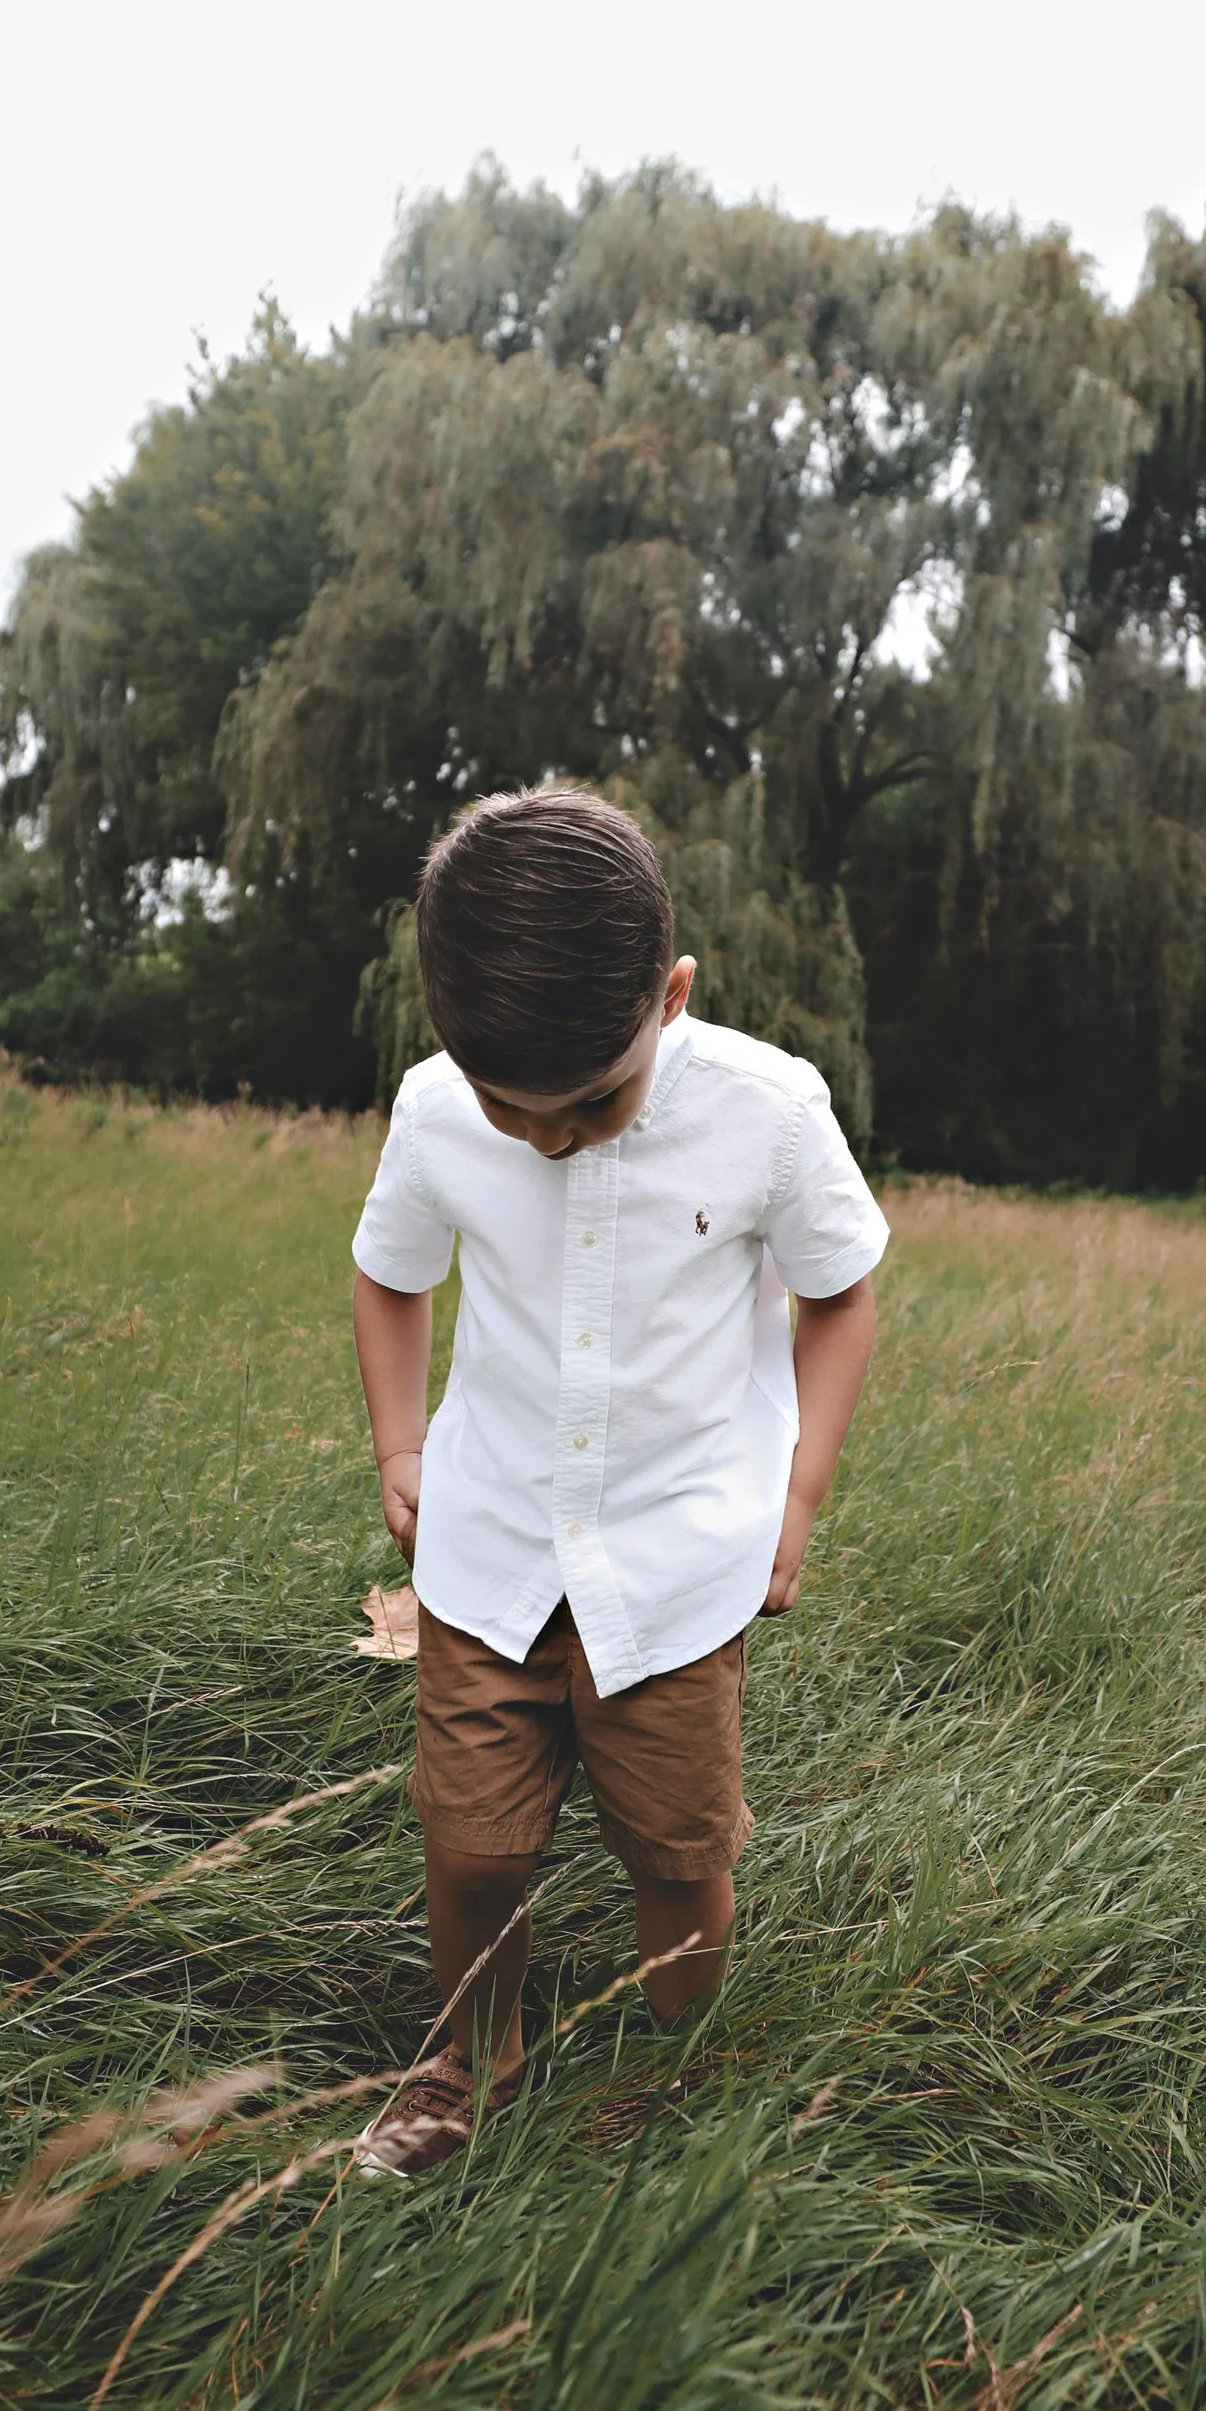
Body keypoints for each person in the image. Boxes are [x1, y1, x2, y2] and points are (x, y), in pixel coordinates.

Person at [348, 788, 888, 2176]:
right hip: (492, 1545)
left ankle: (679, 2072)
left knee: (677, 1855)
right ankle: (474, 2053)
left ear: (674, 994)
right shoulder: (432, 1112)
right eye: (507, 1107)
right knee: (469, 1848)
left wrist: (800, 1492)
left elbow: (840, 1292)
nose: (549, 1139)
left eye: (593, 1100)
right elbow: (391, 1273)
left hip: (679, 1555)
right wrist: (402, 1446)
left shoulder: (766, 1110)